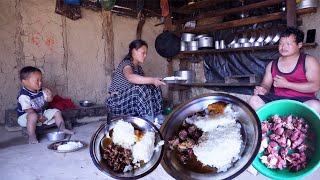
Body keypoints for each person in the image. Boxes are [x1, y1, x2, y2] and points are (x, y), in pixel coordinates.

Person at [248, 27, 320, 114]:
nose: (283, 47)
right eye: (281, 43)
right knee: (254, 100)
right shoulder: (272, 64)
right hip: (278, 100)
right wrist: (262, 90)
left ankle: (290, 124)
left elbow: (315, 86)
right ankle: (275, 123)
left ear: (299, 44)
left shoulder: (309, 61)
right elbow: (266, 84)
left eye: (288, 44)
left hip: (303, 101)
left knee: (316, 106)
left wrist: (287, 84)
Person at [106, 39, 166, 123]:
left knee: (154, 87)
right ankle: (148, 120)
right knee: (139, 88)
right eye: (143, 53)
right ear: (133, 52)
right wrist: (152, 79)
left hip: (131, 103)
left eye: (146, 53)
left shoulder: (139, 69)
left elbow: (146, 87)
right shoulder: (126, 64)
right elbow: (130, 77)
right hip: (116, 102)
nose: (145, 55)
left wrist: (154, 82)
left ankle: (158, 118)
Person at [16, 66, 74, 144]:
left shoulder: (40, 90)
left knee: (56, 112)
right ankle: (32, 136)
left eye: (41, 80)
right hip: (26, 117)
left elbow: (49, 100)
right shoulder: (24, 95)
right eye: (37, 80)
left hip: (40, 113)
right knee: (32, 115)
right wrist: (40, 117)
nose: (40, 83)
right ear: (25, 82)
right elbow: (28, 110)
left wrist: (49, 94)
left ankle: (62, 129)